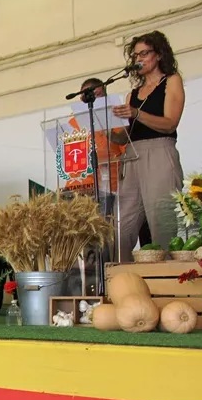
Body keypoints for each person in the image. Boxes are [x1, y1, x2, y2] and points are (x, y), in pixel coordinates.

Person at [112, 31, 184, 262]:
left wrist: (136, 113)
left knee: (162, 222)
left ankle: (170, 285)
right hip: (132, 156)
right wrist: (109, 131)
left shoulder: (171, 81)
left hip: (160, 151)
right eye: (135, 56)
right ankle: (121, 280)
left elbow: (170, 123)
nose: (138, 60)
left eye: (144, 53)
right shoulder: (131, 94)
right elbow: (126, 135)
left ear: (159, 54)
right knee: (122, 224)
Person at [76, 77, 152, 246]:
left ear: (105, 94)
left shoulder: (114, 115)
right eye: (88, 95)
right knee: (89, 240)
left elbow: (126, 148)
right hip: (84, 188)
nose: (94, 98)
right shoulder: (74, 122)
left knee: (113, 238)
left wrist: (108, 131)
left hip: (112, 187)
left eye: (98, 94)